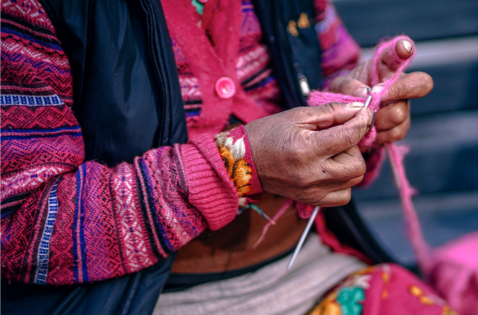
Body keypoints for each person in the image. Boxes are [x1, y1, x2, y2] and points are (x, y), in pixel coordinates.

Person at [0, 0, 438, 314]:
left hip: (307, 270)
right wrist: (237, 166)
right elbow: (18, 226)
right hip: (145, 298)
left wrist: (352, 117)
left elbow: (331, 75)